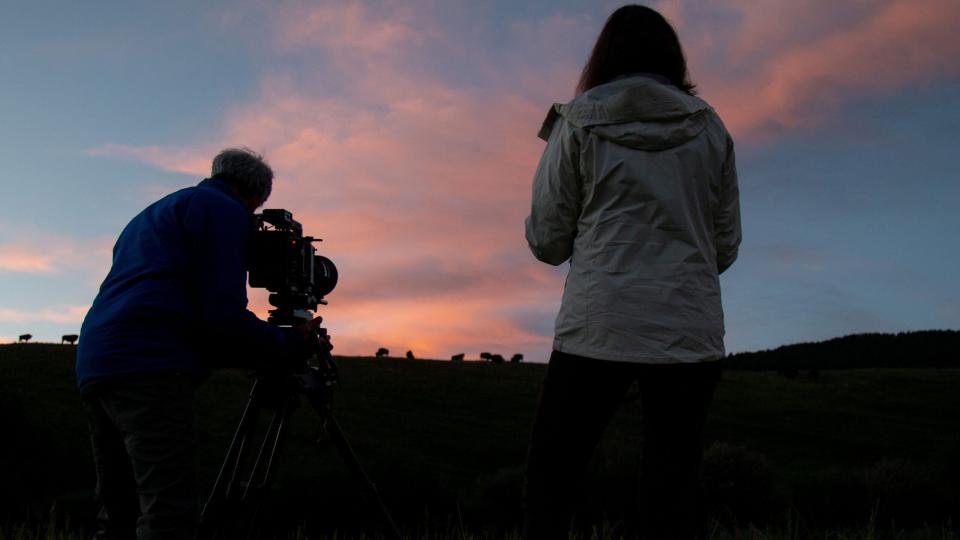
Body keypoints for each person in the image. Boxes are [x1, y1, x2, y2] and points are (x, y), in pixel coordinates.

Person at [522, 5, 741, 539]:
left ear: (604, 57)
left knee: (552, 478)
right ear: (673, 58)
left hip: (598, 326)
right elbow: (725, 245)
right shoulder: (711, 129)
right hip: (688, 333)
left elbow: (548, 241)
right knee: (673, 488)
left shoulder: (576, 122)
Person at [76, 148, 326, 540]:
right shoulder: (222, 212)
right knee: (169, 515)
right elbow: (221, 318)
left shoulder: (156, 212)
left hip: (99, 361)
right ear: (255, 197)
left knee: (118, 515)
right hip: (151, 364)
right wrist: (290, 342)